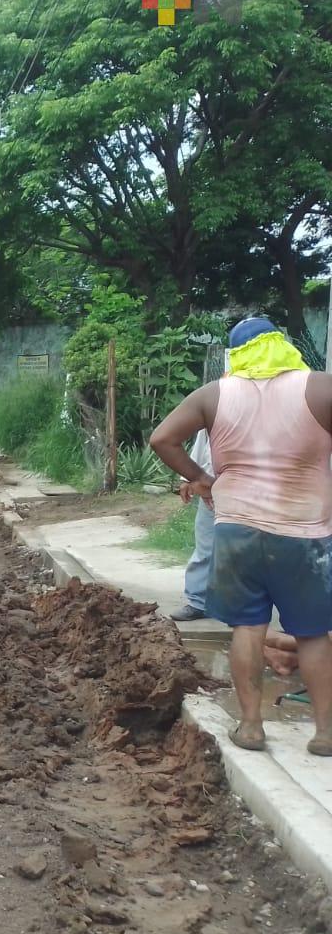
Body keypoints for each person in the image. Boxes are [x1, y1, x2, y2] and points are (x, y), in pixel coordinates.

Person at [150, 317, 332, 757]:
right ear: (283, 346)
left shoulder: (213, 395)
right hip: (304, 533)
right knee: (312, 635)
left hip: (236, 530)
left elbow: (162, 439)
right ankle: (325, 734)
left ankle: (251, 727)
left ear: (235, 354)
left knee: (247, 629)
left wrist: (202, 478)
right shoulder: (321, 388)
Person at [168, 427, 214, 622]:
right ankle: (198, 603)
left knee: (246, 549)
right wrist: (188, 479)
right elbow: (201, 444)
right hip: (209, 493)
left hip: (245, 490)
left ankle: (242, 605)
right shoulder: (216, 404)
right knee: (206, 547)